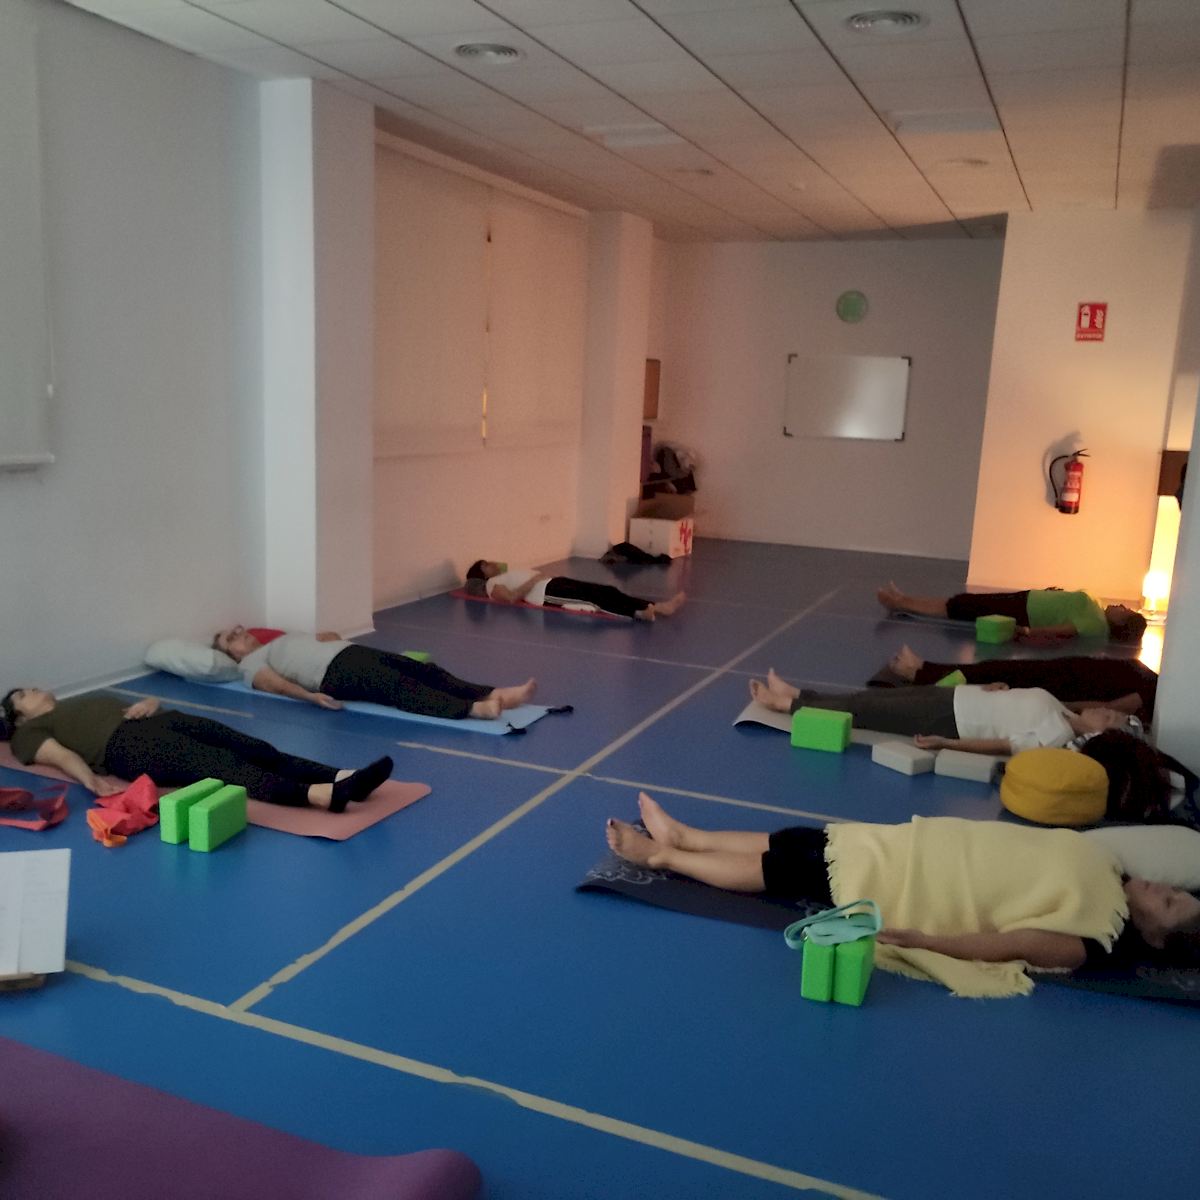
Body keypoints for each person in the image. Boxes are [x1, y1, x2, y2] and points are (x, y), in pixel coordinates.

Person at [604, 793, 1200, 995]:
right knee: (807, 839)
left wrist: (923, 940)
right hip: (926, 846)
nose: (1163, 888)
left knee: (786, 869)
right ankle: (691, 836)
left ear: (1153, 937)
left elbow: (1004, 945)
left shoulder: (1091, 938)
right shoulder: (1109, 863)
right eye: (1178, 890)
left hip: (916, 885)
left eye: (1170, 902)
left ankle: (663, 857)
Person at [1, 688, 392, 813]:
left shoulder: (81, 700)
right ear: (19, 717)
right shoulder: (28, 733)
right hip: (126, 746)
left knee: (253, 747)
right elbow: (59, 755)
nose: (34, 689)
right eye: (24, 695)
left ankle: (343, 776)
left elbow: (143, 700)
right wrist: (90, 780)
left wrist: (150, 701)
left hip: (161, 720)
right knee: (225, 765)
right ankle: (322, 796)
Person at [749, 669, 1132, 756]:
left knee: (867, 710)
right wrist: (997, 687)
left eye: (1108, 718)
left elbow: (1004, 745)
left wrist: (946, 743)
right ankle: (799, 694)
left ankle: (785, 705)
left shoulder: (1057, 737)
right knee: (869, 699)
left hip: (950, 720)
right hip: (957, 697)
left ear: (1099, 734)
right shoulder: (1063, 712)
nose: (1104, 710)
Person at [212, 627, 535, 720]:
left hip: (349, 652)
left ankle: (493, 692)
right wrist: (310, 697)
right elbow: (273, 684)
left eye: (238, 629)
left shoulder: (278, 640)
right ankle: (472, 709)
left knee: (422, 669)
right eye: (232, 637)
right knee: (400, 686)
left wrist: (329, 637)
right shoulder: (248, 664)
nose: (241, 633)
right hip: (332, 673)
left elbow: (325, 638)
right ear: (231, 653)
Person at [880, 645, 1158, 717]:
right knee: (992, 668)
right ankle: (925, 669)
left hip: (1065, 684)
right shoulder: (1156, 683)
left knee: (991, 675)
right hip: (1067, 672)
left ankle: (919, 674)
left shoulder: (1152, 692)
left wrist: (1058, 706)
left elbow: (1112, 708)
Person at [877, 581, 1146, 643]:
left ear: (1121, 622)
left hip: (1022, 610)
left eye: (1125, 611)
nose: (1122, 606)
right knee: (966, 602)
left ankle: (902, 603)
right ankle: (903, 600)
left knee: (963, 606)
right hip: (1026, 600)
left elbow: (1064, 630)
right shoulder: (1097, 610)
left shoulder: (1096, 624)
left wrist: (1027, 631)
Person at [464, 560, 685, 622]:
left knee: (606, 589)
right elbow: (512, 598)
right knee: (593, 599)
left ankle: (656, 606)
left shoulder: (504, 574)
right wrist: (534, 580)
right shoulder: (492, 585)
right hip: (545, 592)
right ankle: (636, 613)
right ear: (483, 569)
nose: (495, 564)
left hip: (552, 582)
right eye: (488, 564)